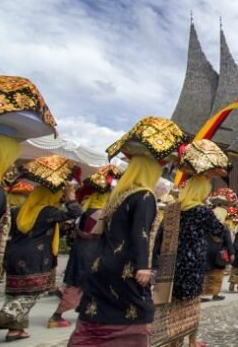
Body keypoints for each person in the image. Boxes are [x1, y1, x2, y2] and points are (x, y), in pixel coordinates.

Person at [70, 116, 186, 347]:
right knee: (134, 317)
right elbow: (139, 234)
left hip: (101, 263)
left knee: (97, 314)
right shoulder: (145, 196)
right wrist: (143, 266)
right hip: (125, 266)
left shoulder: (120, 195)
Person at [0, 74, 57, 347]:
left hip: (16, 257)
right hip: (32, 259)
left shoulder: (23, 206)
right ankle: (10, 322)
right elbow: (68, 213)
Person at [150, 139, 233, 347]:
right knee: (191, 304)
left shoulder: (173, 209)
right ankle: (192, 340)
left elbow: (160, 238)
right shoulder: (202, 211)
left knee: (173, 304)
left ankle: (172, 340)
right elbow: (219, 231)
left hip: (171, 264)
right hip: (193, 264)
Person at [0, 156, 80, 342]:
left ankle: (15, 331)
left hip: (13, 256)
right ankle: (0, 318)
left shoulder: (19, 210)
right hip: (35, 257)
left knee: (15, 293)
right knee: (31, 294)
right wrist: (71, 198)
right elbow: (76, 213)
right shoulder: (47, 212)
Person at [49, 165, 120, 329]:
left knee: (81, 283)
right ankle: (57, 316)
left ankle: (85, 311)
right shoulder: (100, 213)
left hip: (81, 250)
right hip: (91, 252)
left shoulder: (88, 210)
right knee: (80, 284)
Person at [201, 187, 235, 302]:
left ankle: (203, 294)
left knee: (206, 271)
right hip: (220, 248)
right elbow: (230, 233)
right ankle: (215, 293)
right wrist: (232, 252)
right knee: (218, 273)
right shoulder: (231, 213)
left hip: (207, 246)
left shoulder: (209, 212)